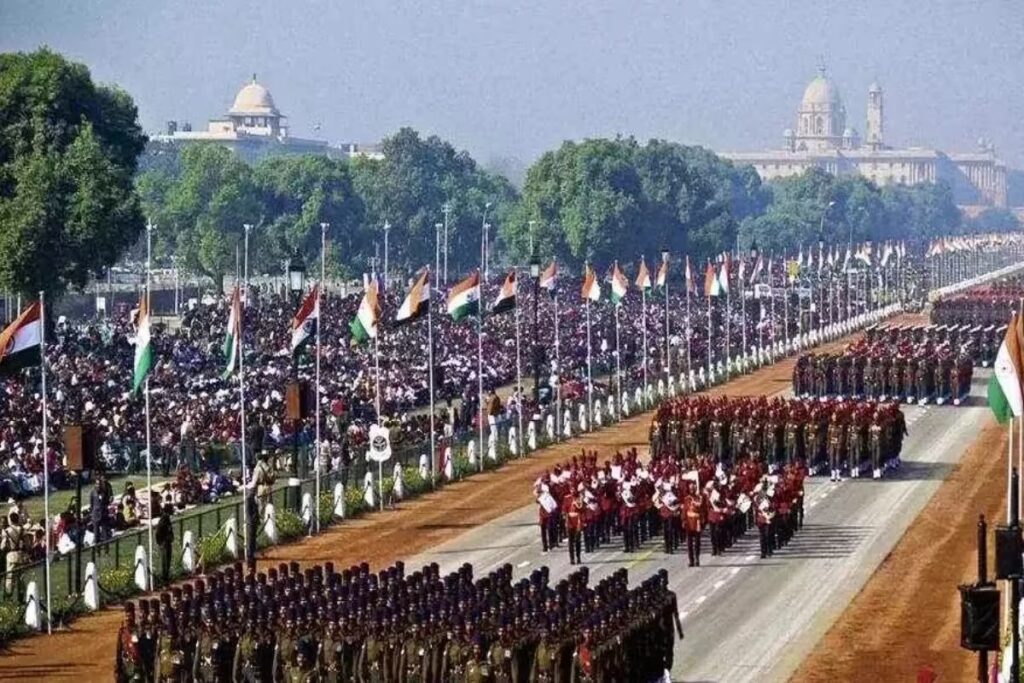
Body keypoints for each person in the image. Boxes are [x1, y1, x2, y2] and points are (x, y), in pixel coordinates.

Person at [2, 511, 26, 596]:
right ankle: (21, 595)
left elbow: (3, 545)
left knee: (10, 577)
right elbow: (26, 542)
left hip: (11, 555)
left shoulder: (7, 531)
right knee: (21, 577)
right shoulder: (22, 529)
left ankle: (8, 594)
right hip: (20, 554)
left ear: (10, 520)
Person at [154, 506, 174, 586]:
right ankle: (164, 578)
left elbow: (170, 530)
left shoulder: (167, 520)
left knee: (168, 560)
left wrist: (171, 537)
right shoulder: (163, 521)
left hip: (168, 542)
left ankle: (167, 576)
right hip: (164, 543)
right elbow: (158, 533)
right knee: (165, 561)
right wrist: (161, 543)